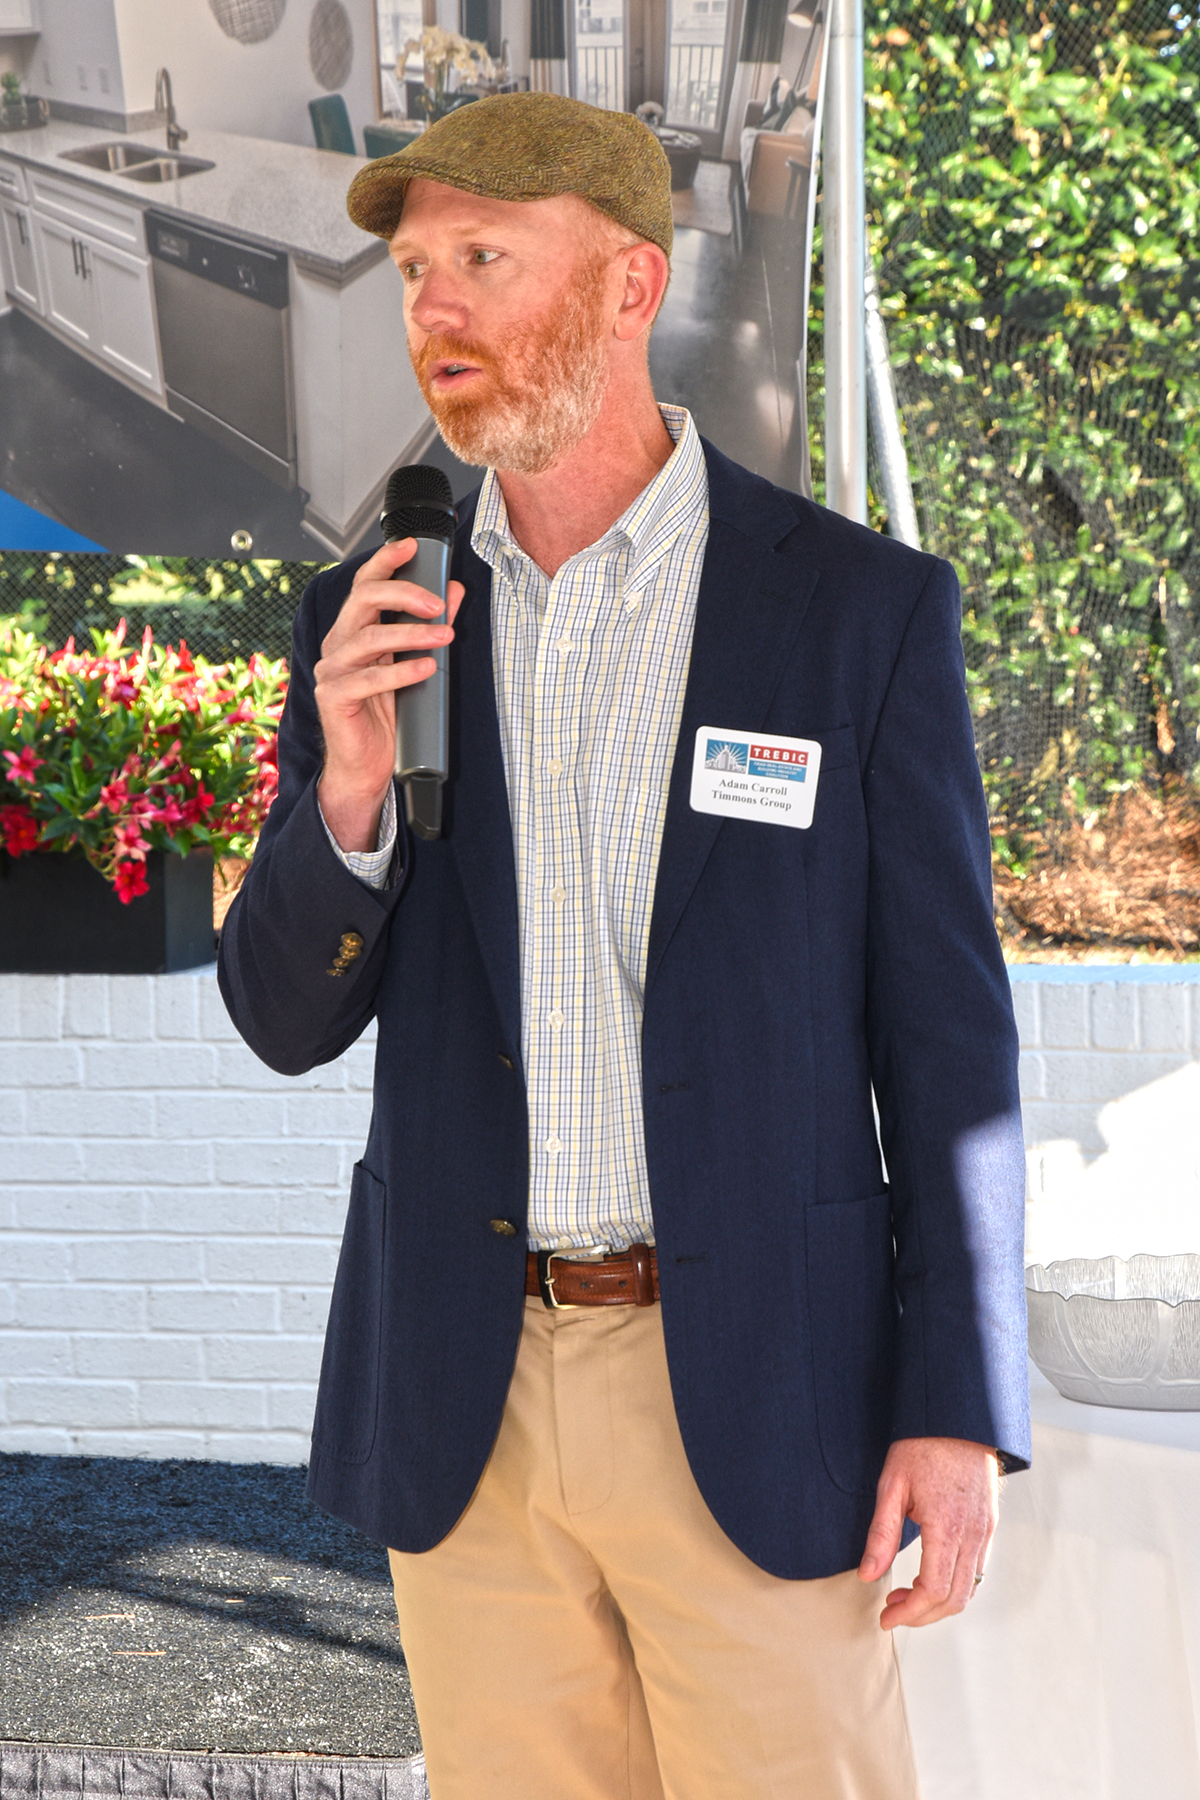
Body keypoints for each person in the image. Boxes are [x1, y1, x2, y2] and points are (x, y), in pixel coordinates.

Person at [219, 91, 1030, 1800]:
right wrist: (348, 792)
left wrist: (956, 1403)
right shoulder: (373, 618)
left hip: (762, 1389)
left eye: (484, 259)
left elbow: (949, 1048)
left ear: (627, 288)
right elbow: (284, 1019)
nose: (434, 305)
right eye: (416, 269)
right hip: (469, 1405)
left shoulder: (857, 615)